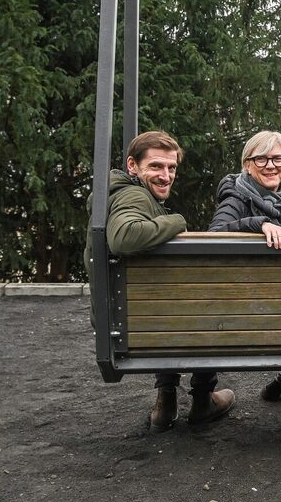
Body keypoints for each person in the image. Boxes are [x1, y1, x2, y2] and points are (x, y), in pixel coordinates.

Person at [85, 130, 235, 432]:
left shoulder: (117, 193)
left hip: (131, 319)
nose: (166, 175)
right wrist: (178, 221)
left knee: (169, 306)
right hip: (143, 322)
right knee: (215, 305)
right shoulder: (133, 195)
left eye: (171, 167)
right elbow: (124, 236)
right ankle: (202, 399)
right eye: (155, 166)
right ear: (132, 166)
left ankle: (166, 401)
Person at [209, 130, 281, 402]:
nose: (270, 165)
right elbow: (214, 235)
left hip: (278, 292)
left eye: (278, 158)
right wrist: (257, 223)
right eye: (261, 159)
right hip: (240, 296)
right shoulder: (236, 196)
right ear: (247, 164)